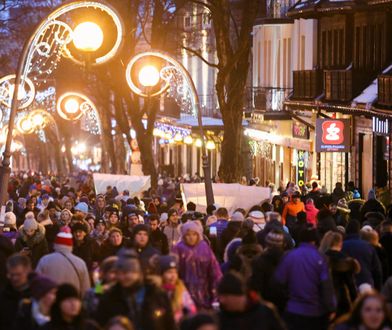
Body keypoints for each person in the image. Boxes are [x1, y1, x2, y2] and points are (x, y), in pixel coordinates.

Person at [95, 249, 176, 329]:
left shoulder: (155, 293)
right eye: (120, 272)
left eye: (128, 272)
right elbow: (100, 323)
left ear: (138, 272)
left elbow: (169, 323)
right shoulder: (110, 297)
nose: (123, 277)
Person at [275, 228, 336, 330]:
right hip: (315, 312)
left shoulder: (289, 256)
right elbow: (326, 286)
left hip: (292, 310)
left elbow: (278, 282)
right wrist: (331, 307)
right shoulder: (320, 258)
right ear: (314, 240)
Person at [172, 221, 222, 309]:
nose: (191, 237)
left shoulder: (204, 248)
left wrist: (215, 293)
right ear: (184, 235)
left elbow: (214, 271)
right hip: (184, 291)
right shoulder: (178, 249)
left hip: (204, 292)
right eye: (188, 235)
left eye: (194, 234)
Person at [217, 271, 286, 330]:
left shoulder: (265, 313)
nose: (222, 300)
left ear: (238, 295)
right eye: (220, 297)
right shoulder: (220, 318)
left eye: (225, 296)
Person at [36, 227, 91, 296]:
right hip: (72, 302)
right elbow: (85, 289)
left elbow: (37, 284)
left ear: (56, 244)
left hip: (50, 302)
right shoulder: (80, 263)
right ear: (71, 245)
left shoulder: (45, 260)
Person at [319, 231, 359, 317]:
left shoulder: (320, 258)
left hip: (323, 298)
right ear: (340, 243)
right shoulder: (346, 259)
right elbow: (350, 284)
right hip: (341, 299)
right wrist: (355, 302)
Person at [250, 229, 287, 313]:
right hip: (285, 305)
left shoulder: (258, 261)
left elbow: (255, 286)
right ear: (283, 245)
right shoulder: (288, 260)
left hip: (264, 306)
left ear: (266, 243)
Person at [155, 254, 197, 322]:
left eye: (175, 272)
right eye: (169, 272)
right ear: (161, 274)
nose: (173, 276)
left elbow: (192, 310)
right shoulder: (156, 291)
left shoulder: (181, 289)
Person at [342, 220, 382, 290]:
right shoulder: (368, 246)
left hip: (346, 285)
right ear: (359, 231)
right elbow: (377, 270)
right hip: (366, 283)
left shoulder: (341, 246)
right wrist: (378, 289)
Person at [0, 254, 32, 329]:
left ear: (28, 271)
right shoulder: (3, 296)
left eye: (18, 274)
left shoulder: (38, 295)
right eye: (11, 275)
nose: (14, 278)